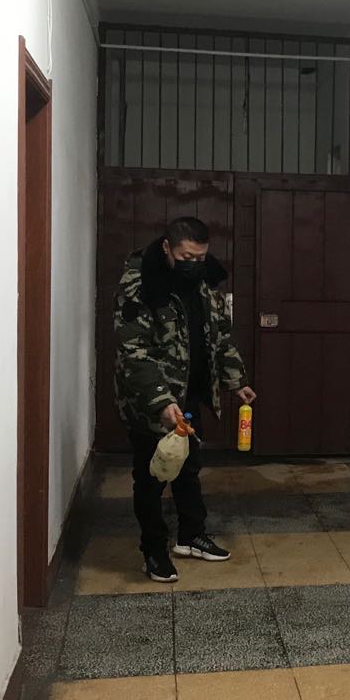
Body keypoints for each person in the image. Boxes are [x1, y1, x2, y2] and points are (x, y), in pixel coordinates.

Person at [113, 217, 257, 582]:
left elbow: (220, 335)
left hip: (189, 393)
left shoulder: (205, 282)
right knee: (152, 476)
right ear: (167, 248)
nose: (194, 264)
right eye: (186, 257)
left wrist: (236, 380)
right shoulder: (139, 284)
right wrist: (161, 402)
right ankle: (153, 551)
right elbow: (134, 352)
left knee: (189, 467)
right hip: (151, 401)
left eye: (200, 257)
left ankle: (191, 535)